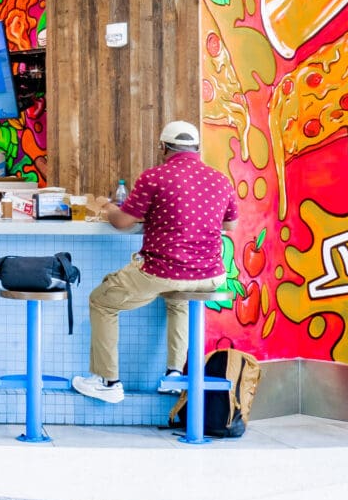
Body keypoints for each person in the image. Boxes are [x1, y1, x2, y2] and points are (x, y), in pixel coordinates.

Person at [72, 120, 238, 404]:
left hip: (164, 271)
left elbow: (122, 222)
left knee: (101, 301)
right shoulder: (220, 179)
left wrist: (107, 207)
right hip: (210, 275)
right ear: (197, 148)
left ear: (163, 147)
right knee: (179, 301)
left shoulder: (154, 177)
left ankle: (107, 381)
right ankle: (174, 375)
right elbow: (230, 225)